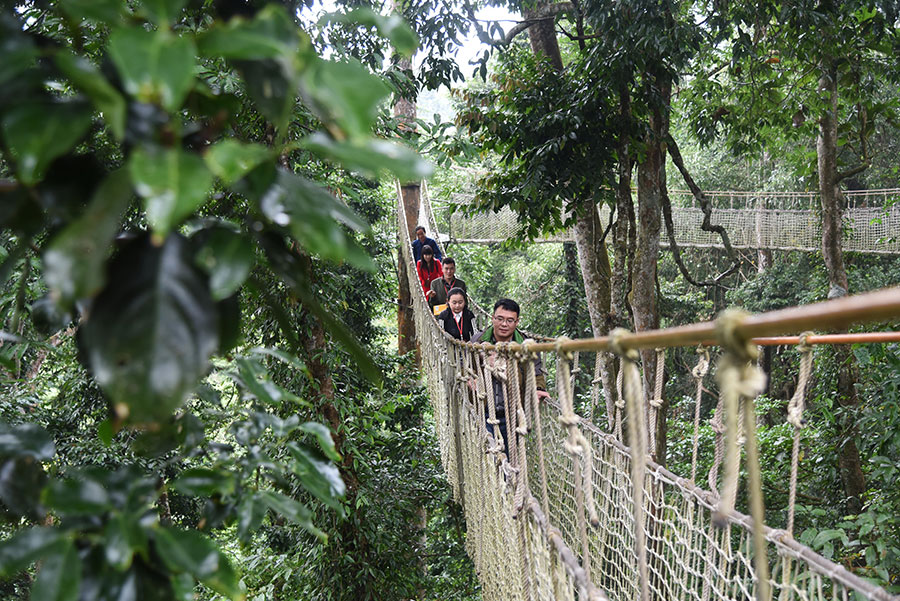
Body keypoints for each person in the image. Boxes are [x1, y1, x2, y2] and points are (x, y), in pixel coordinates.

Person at [472, 298, 551, 448]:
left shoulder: (526, 345)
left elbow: (536, 371)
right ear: (492, 318)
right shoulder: (478, 341)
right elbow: (465, 365)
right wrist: (471, 379)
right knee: (486, 458)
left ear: (517, 322)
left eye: (510, 320)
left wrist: (539, 389)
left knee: (508, 463)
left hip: (512, 415)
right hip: (483, 412)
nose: (504, 324)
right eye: (500, 319)